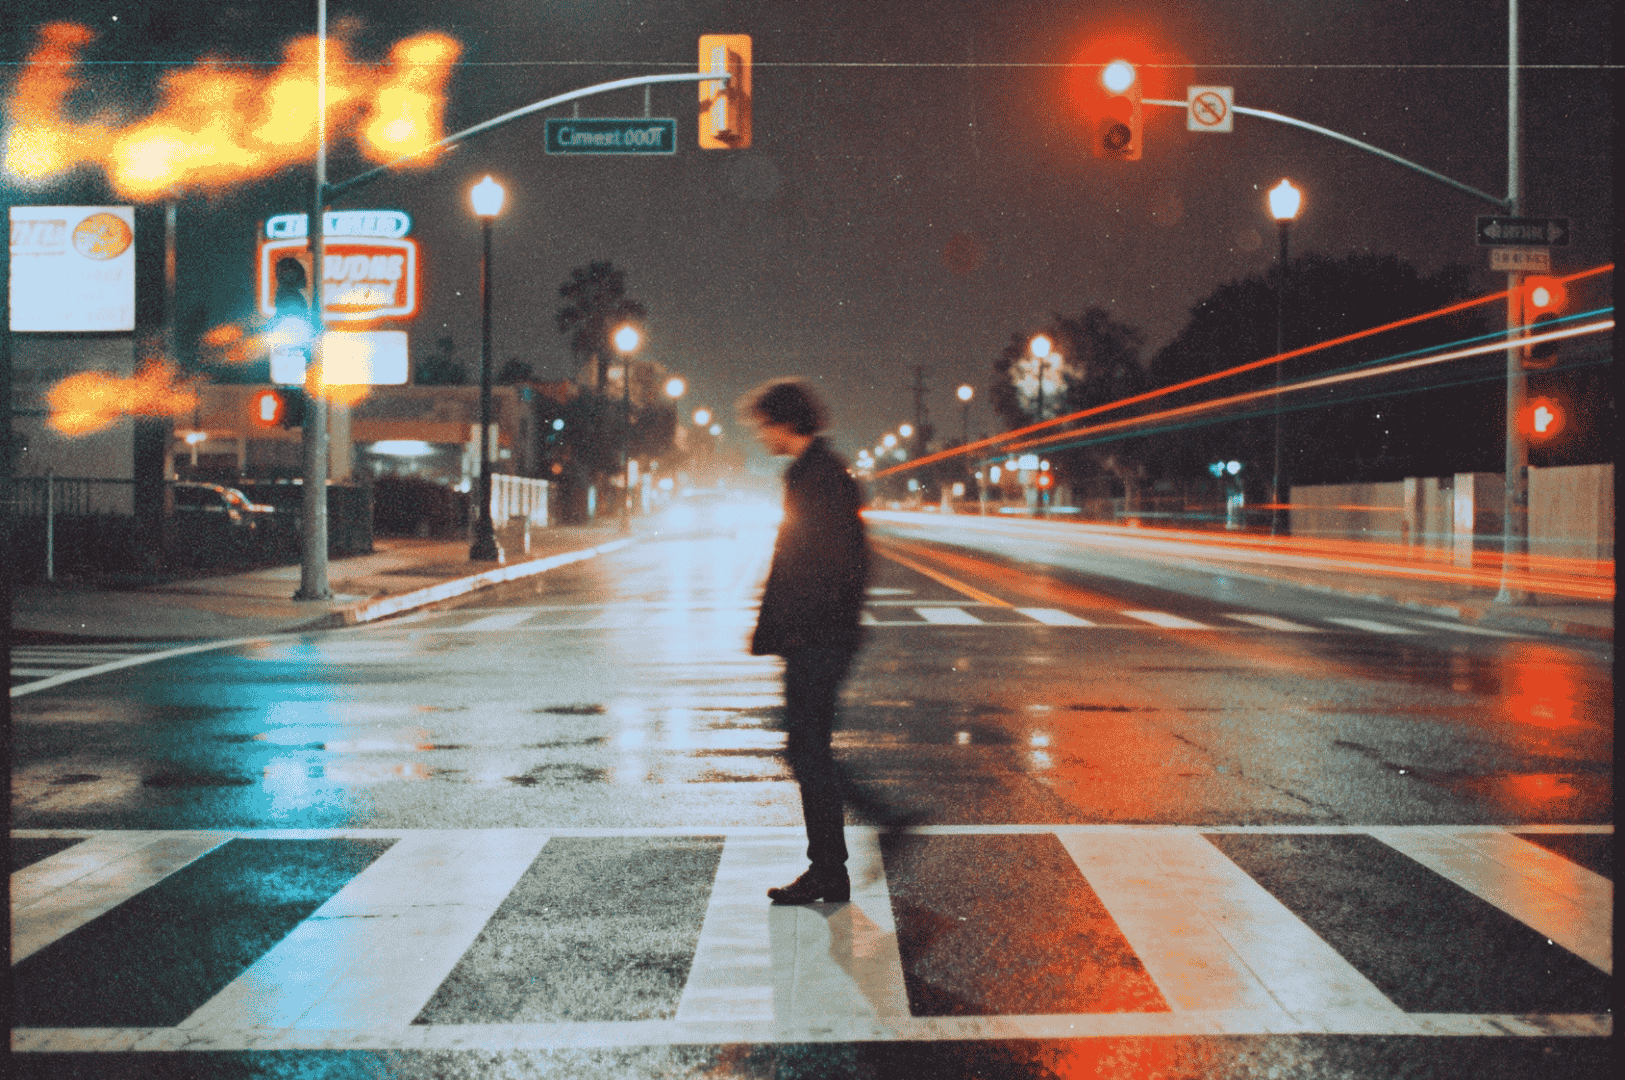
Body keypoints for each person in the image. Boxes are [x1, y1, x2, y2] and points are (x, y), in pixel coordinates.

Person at [742, 379, 870, 905]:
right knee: (808, 747)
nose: (761, 435)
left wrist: (795, 627)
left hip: (817, 636)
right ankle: (830, 866)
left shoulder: (815, 476)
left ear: (785, 422)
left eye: (764, 424)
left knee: (807, 748)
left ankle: (834, 864)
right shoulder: (820, 471)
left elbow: (812, 562)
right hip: (820, 634)